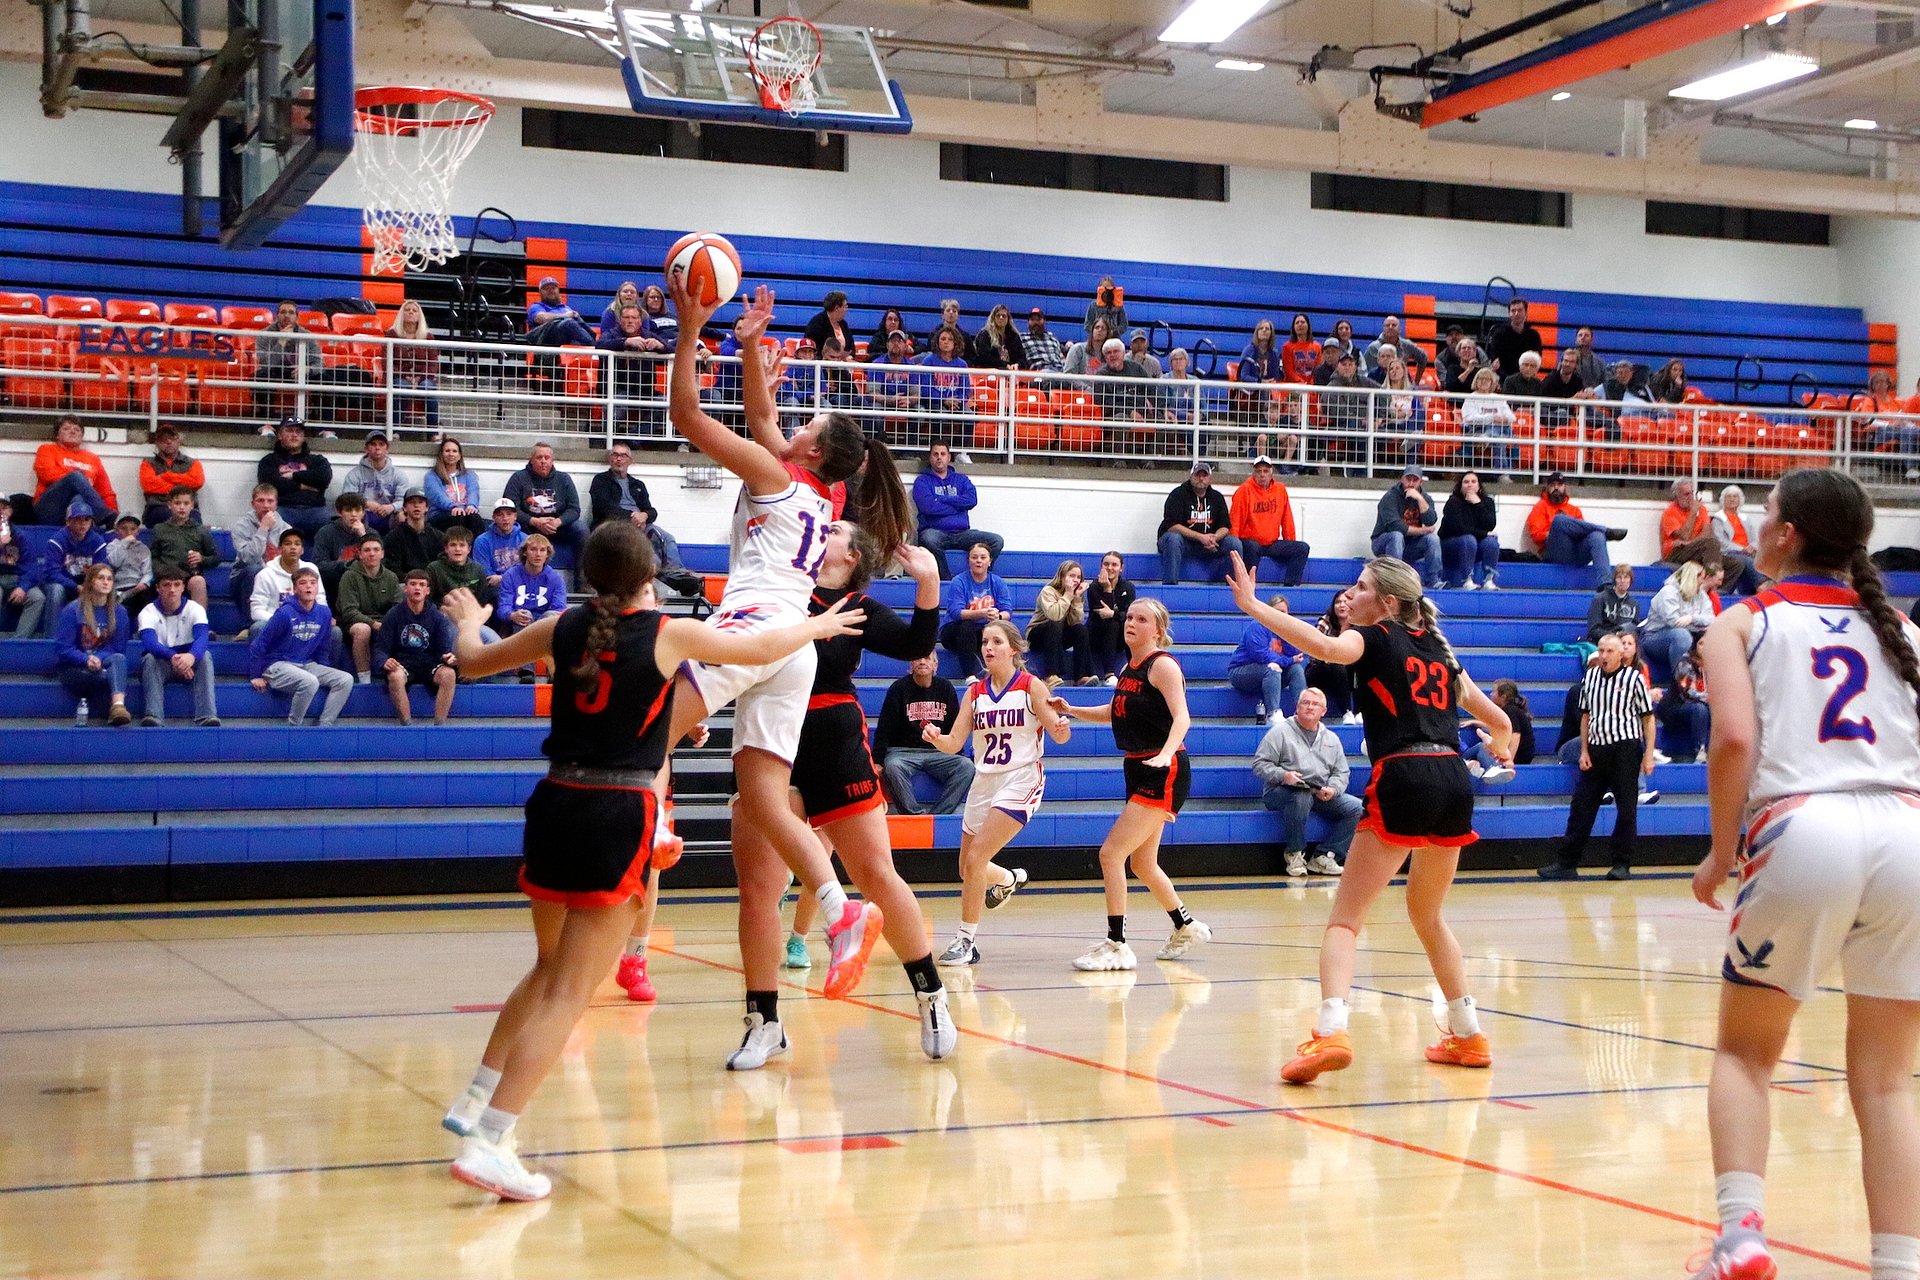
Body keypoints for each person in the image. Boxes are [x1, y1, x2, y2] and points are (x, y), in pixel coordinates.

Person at [435, 522, 864, 1201]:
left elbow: (474, 660)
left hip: (554, 801)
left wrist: (467, 619)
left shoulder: (560, 626)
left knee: (547, 969)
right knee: (569, 993)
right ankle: (491, 1139)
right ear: (649, 578)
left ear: (589, 576)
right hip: (615, 811)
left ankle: (474, 1099)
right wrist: (817, 626)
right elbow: (759, 648)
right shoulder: (669, 633)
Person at [1682, 468, 1920, 1280]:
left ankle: (1741, 1237)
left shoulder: (1742, 621)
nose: (1756, 525)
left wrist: (1721, 852)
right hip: (1908, 831)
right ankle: (1899, 1265)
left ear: (1787, 535)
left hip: (1805, 827)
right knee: (1887, 1084)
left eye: (1767, 513)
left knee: (1745, 1055)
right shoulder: (1903, 630)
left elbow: (1733, 742)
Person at [653, 274, 902, 1021]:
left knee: (650, 718)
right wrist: (751, 348)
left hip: (755, 628)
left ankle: (655, 822)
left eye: (805, 421)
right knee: (764, 798)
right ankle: (838, 908)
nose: (789, 421)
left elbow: (687, 414)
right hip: (794, 648)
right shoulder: (823, 493)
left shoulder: (774, 475)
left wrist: (692, 329)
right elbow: (764, 418)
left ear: (812, 445)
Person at [1225, 552, 1513, 1083]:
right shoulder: (1441, 651)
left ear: (1388, 602)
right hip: (1453, 778)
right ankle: (1469, 1034)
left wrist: (1254, 606)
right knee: (1429, 915)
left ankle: (1331, 1031)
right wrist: (1502, 749)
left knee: (1345, 920)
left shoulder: (1375, 636)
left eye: (1359, 587)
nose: (1349, 596)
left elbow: (1324, 648)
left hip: (1405, 772)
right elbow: (1499, 720)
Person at [754, 524, 957, 1054]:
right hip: (773, 731)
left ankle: (931, 995)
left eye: (834, 529)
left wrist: (928, 582)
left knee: (876, 875)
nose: (820, 529)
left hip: (833, 734)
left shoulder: (858, 606)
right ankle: (764, 1021)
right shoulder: (781, 587)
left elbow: (915, 644)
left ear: (852, 556)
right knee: (763, 887)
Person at [1049, 599, 1213, 971]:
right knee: (1142, 862)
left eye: (1142, 619)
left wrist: (1166, 754)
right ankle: (1185, 925)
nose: (1131, 622)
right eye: (1130, 617)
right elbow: (1115, 712)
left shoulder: (1163, 665)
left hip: (1163, 768)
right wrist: (1070, 709)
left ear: (1158, 630)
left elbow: (1183, 717)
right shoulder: (1128, 668)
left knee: (1111, 854)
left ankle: (1117, 944)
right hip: (1138, 765)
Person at [925, 620, 1070, 967]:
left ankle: (966, 941)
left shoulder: (1031, 686)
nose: (988, 647)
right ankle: (1008, 878)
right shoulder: (974, 693)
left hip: (1020, 779)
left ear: (1013, 649)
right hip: (984, 781)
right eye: (985, 642)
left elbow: (1059, 736)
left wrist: (1062, 726)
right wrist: (936, 738)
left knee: (977, 857)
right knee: (967, 868)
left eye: (996, 641)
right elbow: (955, 743)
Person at [1536, 631, 1656, 881]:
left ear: (1621, 654)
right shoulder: (1590, 677)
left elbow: (1648, 718)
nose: (1604, 655)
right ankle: (1566, 863)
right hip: (1596, 749)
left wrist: (1648, 755)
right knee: (1581, 807)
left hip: (1625, 749)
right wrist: (1583, 750)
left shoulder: (1634, 679)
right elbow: (1585, 717)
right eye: (1601, 650)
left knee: (1626, 810)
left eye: (1609, 651)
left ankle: (1621, 864)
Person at [1255, 686, 1362, 877]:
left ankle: (1325, 855)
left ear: (1324, 711)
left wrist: (1333, 789)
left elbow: (1341, 772)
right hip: (1280, 791)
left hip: (1317, 792)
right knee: (1300, 797)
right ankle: (1294, 853)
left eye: (1315, 704)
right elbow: (1260, 764)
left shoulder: (1331, 738)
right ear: (1297, 707)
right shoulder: (1279, 732)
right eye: (1305, 703)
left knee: (1358, 809)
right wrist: (1283, 775)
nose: (1310, 707)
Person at [247, 566, 351, 727]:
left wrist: (323, 670)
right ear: (295, 589)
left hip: (306, 664)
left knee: (345, 679)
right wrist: (255, 675)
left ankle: (325, 725)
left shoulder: (324, 613)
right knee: (310, 682)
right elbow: (259, 644)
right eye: (303, 583)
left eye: (313, 583)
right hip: (277, 664)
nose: (308, 586)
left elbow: (323, 648)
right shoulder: (284, 613)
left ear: (317, 588)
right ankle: (294, 726)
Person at [589, 440, 698, 592]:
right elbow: (604, 509)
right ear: (610, 459)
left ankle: (679, 576)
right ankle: (667, 581)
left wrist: (645, 515)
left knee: (667, 538)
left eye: (623, 456)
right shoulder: (600, 481)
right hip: (614, 527)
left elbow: (652, 511)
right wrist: (633, 517)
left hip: (641, 525)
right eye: (615, 455)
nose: (619, 459)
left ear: (630, 461)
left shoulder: (637, 484)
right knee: (648, 553)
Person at [874, 653, 973, 815]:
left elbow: (954, 726)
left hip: (939, 751)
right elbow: (885, 726)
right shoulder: (898, 688)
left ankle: (938, 815)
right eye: (917, 658)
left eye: (927, 658)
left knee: (967, 767)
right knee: (892, 767)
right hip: (903, 752)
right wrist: (878, 760)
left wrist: (956, 752)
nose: (922, 662)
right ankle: (914, 816)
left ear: (935, 666)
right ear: (911, 665)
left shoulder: (945, 688)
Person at [374, 570, 459, 726]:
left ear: (428, 591)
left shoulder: (437, 616)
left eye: (421, 585)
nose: (417, 588)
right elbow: (380, 648)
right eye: (413, 584)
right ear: (405, 588)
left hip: (429, 663)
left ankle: (439, 726)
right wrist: (384, 661)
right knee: (395, 676)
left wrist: (449, 657)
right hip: (403, 662)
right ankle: (407, 726)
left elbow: (444, 649)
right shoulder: (393, 615)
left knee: (449, 674)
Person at [136, 569, 217, 727]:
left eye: (176, 585)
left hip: (189, 664)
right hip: (163, 663)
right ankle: (154, 716)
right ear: (158, 588)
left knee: (205, 656)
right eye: (167, 585)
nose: (172, 589)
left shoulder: (195, 608)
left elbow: (202, 637)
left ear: (183, 587)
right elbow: (149, 643)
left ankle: (207, 715)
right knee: (149, 659)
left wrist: (191, 656)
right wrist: (174, 657)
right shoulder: (147, 612)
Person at [16, 501, 109, 639]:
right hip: (61, 582)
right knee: (56, 591)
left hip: (85, 583)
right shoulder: (57, 540)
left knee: (103, 589)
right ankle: (52, 638)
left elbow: (102, 569)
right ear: (68, 521)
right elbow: (52, 573)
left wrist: (90, 585)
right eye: (78, 519)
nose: (83, 523)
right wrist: (75, 586)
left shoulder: (97, 542)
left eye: (87, 519)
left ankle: (97, 637)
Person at [55, 562, 133, 727]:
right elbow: (63, 649)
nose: (105, 582)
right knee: (109, 678)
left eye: (109, 579)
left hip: (102, 663)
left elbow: (117, 648)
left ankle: (118, 708)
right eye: (101, 578)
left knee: (118, 660)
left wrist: (98, 658)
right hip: (75, 667)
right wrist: (86, 659)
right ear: (90, 581)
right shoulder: (73, 610)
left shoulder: (119, 612)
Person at [1526, 472, 1627, 589]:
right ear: (1548, 488)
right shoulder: (1540, 507)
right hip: (1554, 552)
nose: (1556, 488)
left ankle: (1606, 585)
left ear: (1565, 487)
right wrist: (1552, 532)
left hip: (1576, 552)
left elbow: (1583, 533)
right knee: (1559, 520)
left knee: (1597, 536)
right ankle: (1605, 531)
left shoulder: (1574, 510)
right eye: (1552, 485)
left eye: (1559, 485)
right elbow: (1535, 535)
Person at [1157, 462, 1242, 585]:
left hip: (1210, 544)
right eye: (1197, 475)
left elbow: (1225, 526)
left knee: (1234, 543)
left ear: (1210, 478)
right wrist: (1201, 537)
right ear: (1191, 476)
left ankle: (1233, 586)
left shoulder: (1217, 497)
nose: (1201, 478)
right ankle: (1170, 586)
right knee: (1173, 539)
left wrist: (1214, 538)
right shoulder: (1178, 495)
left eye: (1204, 475)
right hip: (1184, 543)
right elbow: (1172, 526)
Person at [1227, 592, 1307, 722]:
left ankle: (1303, 712)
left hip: (1273, 675)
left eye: (1283, 612)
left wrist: (1286, 634)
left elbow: (1296, 654)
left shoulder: (1286, 629)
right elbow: (1261, 656)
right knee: (1272, 667)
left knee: (1296, 669)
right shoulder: (1257, 626)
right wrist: (1289, 660)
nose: (1280, 615)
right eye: (1276, 611)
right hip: (1242, 672)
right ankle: (1273, 713)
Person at [1231, 456, 1310, 586]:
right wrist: (1234, 550)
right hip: (1249, 542)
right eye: (1258, 471)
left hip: (1271, 544)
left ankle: (1290, 587)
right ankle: (1247, 586)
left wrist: (1289, 541)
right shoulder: (1244, 490)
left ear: (1271, 473)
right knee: (1253, 547)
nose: (1262, 474)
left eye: (1265, 471)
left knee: (1302, 548)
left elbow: (1287, 519)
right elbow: (1235, 520)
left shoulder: (1280, 490)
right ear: (1254, 473)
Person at [940, 542, 1012, 679]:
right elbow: (956, 613)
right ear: (968, 560)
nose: (979, 561)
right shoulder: (959, 581)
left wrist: (998, 616)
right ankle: (970, 676)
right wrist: (982, 613)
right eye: (974, 557)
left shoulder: (997, 582)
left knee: (1003, 628)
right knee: (967, 625)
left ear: (990, 561)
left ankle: (1004, 675)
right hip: (955, 631)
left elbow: (1007, 611)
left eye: (983, 557)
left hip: (983, 632)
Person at [1644, 558, 1720, 684]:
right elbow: (1674, 622)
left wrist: (1692, 618)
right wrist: (1699, 623)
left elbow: (1711, 619)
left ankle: (1712, 683)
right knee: (1681, 635)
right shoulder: (1668, 592)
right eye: (1701, 578)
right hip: (1656, 637)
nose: (1703, 582)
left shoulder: (1701, 594)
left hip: (1690, 634)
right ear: (1692, 578)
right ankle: (1682, 684)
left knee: (1715, 635)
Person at [503, 442, 587, 556]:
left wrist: (558, 522)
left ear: (552, 461)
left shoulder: (564, 479)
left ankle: (583, 568)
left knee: (581, 529)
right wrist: (535, 521)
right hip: (529, 526)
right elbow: (510, 509)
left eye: (547, 458)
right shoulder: (518, 478)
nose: (543, 461)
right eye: (539, 457)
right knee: (510, 527)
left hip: (557, 527)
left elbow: (574, 509)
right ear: (531, 460)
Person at [32, 416, 117, 527]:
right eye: (66, 428)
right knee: (75, 476)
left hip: (79, 509)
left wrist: (114, 515)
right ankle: (102, 514)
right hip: (49, 509)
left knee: (79, 499)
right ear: (57, 435)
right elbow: (47, 474)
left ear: (81, 436)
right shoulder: (47, 449)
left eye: (77, 430)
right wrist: (78, 480)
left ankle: (106, 521)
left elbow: (106, 492)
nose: (72, 432)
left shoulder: (93, 458)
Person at [256, 417, 333, 537]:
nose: (294, 435)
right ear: (280, 435)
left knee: (336, 523)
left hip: (316, 510)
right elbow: (271, 486)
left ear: (303, 436)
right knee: (268, 520)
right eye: (289, 431)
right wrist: (304, 485)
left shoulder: (318, 460)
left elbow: (323, 479)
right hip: (283, 509)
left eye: (298, 431)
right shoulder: (269, 461)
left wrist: (292, 475)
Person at [339, 532, 400, 683]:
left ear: (382, 554)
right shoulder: (349, 576)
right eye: (367, 550)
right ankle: (364, 678)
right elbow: (349, 611)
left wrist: (388, 623)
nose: (372, 554)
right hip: (353, 623)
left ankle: (401, 674)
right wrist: (374, 624)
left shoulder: (391, 577)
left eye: (376, 550)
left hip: (383, 621)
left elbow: (397, 607)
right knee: (363, 629)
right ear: (360, 554)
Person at [228, 483, 292, 626]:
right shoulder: (241, 526)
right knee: (255, 570)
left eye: (270, 501)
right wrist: (263, 528)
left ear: (276, 504)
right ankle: (250, 625)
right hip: (243, 576)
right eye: (261, 500)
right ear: (253, 504)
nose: (266, 505)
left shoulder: (286, 529)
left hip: (275, 576)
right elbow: (249, 558)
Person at [1371, 465, 1442, 589]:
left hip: (1409, 545)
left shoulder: (1425, 498)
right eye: (1408, 479)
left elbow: (1430, 520)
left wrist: (1419, 498)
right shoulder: (1390, 497)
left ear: (1421, 482)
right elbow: (1395, 526)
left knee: (1433, 539)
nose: (1411, 483)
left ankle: (1433, 580)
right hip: (1384, 544)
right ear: (1402, 479)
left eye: (1415, 480)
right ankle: (1396, 581)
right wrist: (1423, 530)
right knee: (1396, 536)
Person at [150, 486, 218, 611]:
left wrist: (202, 558)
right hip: (167, 575)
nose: (182, 507)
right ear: (169, 505)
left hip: (189, 576)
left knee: (198, 582)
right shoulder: (160, 529)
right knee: (167, 584)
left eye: (186, 503)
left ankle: (200, 621)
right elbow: (153, 557)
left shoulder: (200, 530)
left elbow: (215, 558)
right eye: (177, 503)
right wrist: (163, 571)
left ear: (192, 506)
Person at [1027, 560, 1094, 686]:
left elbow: (1076, 621)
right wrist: (1068, 595)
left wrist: (1076, 599)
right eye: (1071, 576)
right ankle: (1051, 675)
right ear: (1062, 577)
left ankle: (1081, 675)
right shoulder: (1048, 591)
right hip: (1038, 634)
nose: (1075, 580)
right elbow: (1054, 616)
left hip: (1057, 636)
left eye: (1078, 577)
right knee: (1054, 625)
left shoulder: (1075, 595)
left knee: (1081, 629)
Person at [253, 300, 322, 415]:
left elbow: (319, 363)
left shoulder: (307, 335)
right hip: (275, 371)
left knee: (323, 377)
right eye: (283, 312)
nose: (287, 316)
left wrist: (308, 369)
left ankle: (322, 422)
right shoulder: (265, 334)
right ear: (276, 316)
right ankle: (266, 420)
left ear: (297, 317)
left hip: (300, 372)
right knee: (261, 375)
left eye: (291, 313)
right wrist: (281, 342)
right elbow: (266, 363)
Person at [497, 534, 566, 643]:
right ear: (525, 552)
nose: (538, 554)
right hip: (519, 625)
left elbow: (560, 608)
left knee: (552, 615)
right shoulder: (510, 575)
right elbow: (503, 608)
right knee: (525, 615)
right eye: (533, 549)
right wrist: (512, 615)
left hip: (544, 623)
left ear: (547, 554)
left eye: (542, 550)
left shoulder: (555, 578)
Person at [1439, 470, 1500, 591]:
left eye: (1473, 482)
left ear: (1479, 486)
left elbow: (1490, 525)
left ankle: (1489, 580)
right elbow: (1458, 528)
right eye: (1466, 482)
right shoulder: (1453, 502)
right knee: (1468, 539)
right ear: (1460, 486)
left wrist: (1478, 504)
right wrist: (1484, 533)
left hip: (1474, 544)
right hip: (1451, 544)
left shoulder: (1487, 502)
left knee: (1491, 542)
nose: (1470, 485)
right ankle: (1467, 580)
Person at [387, 298, 441, 432]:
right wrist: (405, 376)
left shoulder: (428, 337)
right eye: (407, 310)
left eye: (414, 310)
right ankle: (394, 431)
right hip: (398, 377)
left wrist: (419, 378)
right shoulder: (391, 335)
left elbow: (433, 363)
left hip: (423, 378)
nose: (411, 312)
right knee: (401, 386)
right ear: (402, 314)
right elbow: (387, 361)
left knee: (428, 388)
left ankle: (433, 431)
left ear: (419, 315)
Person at [250, 528, 319, 630]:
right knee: (258, 627)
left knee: (334, 631)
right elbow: (256, 611)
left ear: (302, 550)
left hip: (307, 624)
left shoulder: (311, 569)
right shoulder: (265, 575)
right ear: (280, 549)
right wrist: (281, 621)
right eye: (288, 544)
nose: (293, 547)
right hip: (277, 625)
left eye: (297, 544)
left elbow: (320, 600)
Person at [1305, 591, 1357, 723]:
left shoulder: (1358, 625)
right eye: (1338, 602)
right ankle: (1347, 712)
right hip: (1320, 668)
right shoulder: (1325, 622)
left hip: (1347, 670)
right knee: (1337, 666)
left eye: (1345, 602)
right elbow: (1314, 649)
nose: (1342, 605)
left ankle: (1360, 711)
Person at [1657, 633, 1710, 762]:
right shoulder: (1685, 663)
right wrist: (1710, 698)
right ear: (1695, 645)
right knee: (1700, 709)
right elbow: (1688, 691)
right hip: (1677, 708)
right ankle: (1701, 750)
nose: (1705, 647)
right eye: (1701, 643)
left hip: (1703, 705)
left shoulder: (1717, 665)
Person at [138, 425, 204, 527]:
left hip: (189, 510)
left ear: (178, 441)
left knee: (194, 521)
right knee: (170, 517)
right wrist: (184, 486)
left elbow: (197, 482)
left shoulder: (193, 463)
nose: (168, 441)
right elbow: (149, 485)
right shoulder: (148, 463)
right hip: (158, 507)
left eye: (172, 438)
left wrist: (168, 476)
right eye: (163, 439)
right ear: (157, 443)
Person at [339, 431, 406, 531]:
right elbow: (346, 499)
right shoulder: (354, 474)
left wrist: (392, 507)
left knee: (402, 516)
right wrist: (365, 503)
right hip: (364, 516)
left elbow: (404, 501)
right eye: (373, 444)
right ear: (366, 449)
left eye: (381, 444)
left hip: (390, 516)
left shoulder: (398, 474)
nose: (377, 448)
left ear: (387, 449)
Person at [1465, 678, 1532, 776]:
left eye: (1494, 692)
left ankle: (1492, 768)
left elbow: (1515, 735)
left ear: (1503, 697)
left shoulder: (1510, 710)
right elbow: (1500, 727)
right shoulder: (1513, 710)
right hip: (1521, 755)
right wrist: (1476, 722)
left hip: (1518, 756)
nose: (1491, 694)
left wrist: (1509, 760)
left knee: (1483, 747)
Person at [312, 492, 371, 602]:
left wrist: (364, 537)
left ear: (363, 513)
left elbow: (378, 563)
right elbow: (319, 565)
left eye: (357, 510)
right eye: (348, 510)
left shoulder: (371, 534)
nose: (353, 514)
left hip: (364, 586)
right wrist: (346, 566)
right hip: (334, 585)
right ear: (339, 512)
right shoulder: (325, 533)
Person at [1087, 550, 1136, 683]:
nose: (1110, 568)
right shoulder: (1094, 587)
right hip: (1097, 635)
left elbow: (1129, 614)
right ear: (1101, 566)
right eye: (1106, 564)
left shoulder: (1128, 587)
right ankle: (1109, 674)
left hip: (1119, 636)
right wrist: (1107, 589)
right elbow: (1101, 615)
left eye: (1114, 565)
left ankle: (1136, 670)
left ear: (1121, 568)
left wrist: (1114, 614)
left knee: (1129, 625)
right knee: (1112, 624)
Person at [424, 437, 486, 537]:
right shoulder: (432, 476)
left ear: (459, 456)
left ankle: (475, 546)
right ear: (441, 454)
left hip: (463, 513)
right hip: (441, 515)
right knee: (458, 517)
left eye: (454, 451)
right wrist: (453, 506)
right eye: (447, 451)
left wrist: (471, 505)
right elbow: (437, 496)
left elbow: (473, 492)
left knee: (475, 518)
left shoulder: (469, 475)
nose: (451, 454)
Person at [1711, 484, 1765, 596]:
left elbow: (1754, 538)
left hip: (1748, 551)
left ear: (1740, 500)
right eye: (1729, 497)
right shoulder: (1718, 519)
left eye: (1735, 496)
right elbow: (1721, 542)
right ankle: (1762, 585)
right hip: (1729, 552)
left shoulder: (1745, 518)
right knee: (1747, 561)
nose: (1732, 499)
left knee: (1763, 558)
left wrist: (1751, 547)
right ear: (1723, 500)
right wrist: (1742, 549)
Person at [382, 488, 446, 576]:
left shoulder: (438, 536)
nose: (416, 505)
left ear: (427, 508)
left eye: (420, 502)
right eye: (412, 502)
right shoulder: (393, 537)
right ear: (404, 508)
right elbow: (393, 568)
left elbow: (442, 566)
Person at [105, 513, 153, 619]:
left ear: (138, 531)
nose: (129, 533)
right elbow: (114, 563)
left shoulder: (143, 549)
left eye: (133, 529)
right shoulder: (112, 547)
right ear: (116, 530)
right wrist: (124, 543)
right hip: (118, 587)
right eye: (124, 529)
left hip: (137, 586)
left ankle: (145, 625)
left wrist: (143, 583)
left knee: (145, 597)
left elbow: (148, 572)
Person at [525, 277, 596, 347]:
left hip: (566, 341)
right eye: (547, 288)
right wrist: (566, 316)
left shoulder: (566, 308)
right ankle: (594, 348)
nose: (550, 291)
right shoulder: (536, 307)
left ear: (558, 290)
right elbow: (542, 318)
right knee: (569, 323)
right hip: (547, 341)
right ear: (540, 292)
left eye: (553, 288)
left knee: (581, 332)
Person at [473, 499, 528, 585]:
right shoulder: (482, 541)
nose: (505, 518)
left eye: (509, 514)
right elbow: (485, 575)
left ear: (515, 516)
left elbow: (529, 572)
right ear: (494, 517)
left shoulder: (526, 540)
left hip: (520, 585)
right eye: (500, 515)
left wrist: (502, 578)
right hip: (494, 588)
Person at [1487, 297, 1542, 376]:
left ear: (1526, 313)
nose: (1516, 314)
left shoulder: (1533, 335)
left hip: (1527, 376)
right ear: (1509, 314)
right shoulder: (1499, 334)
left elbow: (1536, 359)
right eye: (1513, 311)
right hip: (1504, 378)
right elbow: (1495, 359)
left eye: (1520, 310)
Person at [1661, 477, 1712, 562]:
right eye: (1686, 494)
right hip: (1676, 552)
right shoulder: (1669, 513)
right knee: (1711, 546)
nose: (1691, 497)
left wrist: (1690, 543)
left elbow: (1707, 533)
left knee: (1733, 564)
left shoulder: (1701, 508)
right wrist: (1693, 512)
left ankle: (1714, 569)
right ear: (1676, 496)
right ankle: (1713, 568)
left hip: (1696, 548)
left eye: (1692, 493)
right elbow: (1684, 536)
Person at [1587, 563, 1642, 641]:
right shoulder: (1600, 599)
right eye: (1619, 577)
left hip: (1625, 643)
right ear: (1614, 580)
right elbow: (1593, 630)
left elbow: (1636, 629)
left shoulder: (1634, 605)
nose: (1623, 581)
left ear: (1630, 580)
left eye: (1626, 577)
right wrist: (1614, 636)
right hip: (1604, 641)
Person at [971, 304, 1025, 371]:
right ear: (993, 318)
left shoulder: (1014, 336)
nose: (1001, 318)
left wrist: (1017, 365)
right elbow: (984, 358)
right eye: (998, 315)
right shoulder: (984, 335)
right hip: (990, 372)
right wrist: (1005, 365)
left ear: (1008, 319)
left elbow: (1022, 358)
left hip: (1012, 373)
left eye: (1004, 316)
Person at [803, 290, 854, 357]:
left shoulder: (844, 324)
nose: (846, 310)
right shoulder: (816, 323)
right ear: (837, 308)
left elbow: (851, 348)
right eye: (845, 307)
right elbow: (812, 348)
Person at [1278, 314, 1320, 385]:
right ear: (1293, 327)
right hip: (1293, 386)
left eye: (1302, 322)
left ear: (1308, 325)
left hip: (1312, 387)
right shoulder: (1287, 347)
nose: (1300, 324)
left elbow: (1318, 370)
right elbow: (1289, 371)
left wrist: (1310, 385)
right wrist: (1302, 383)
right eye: (1297, 323)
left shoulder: (1317, 347)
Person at [1023, 308, 1066, 373]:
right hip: (1041, 372)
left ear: (1044, 322)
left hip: (1061, 371)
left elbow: (1062, 356)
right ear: (1028, 323)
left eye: (1038, 320)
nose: (1035, 323)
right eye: (1032, 320)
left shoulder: (1053, 338)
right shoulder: (1023, 338)